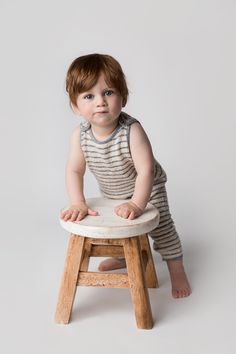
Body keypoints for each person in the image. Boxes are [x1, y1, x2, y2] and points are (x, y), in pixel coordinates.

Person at [60, 53, 191, 298]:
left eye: (108, 92)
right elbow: (74, 170)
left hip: (148, 189)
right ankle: (122, 256)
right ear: (76, 107)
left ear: (123, 96)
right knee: (119, 225)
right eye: (89, 96)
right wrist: (77, 201)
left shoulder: (131, 130)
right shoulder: (80, 135)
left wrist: (137, 203)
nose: (100, 102)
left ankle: (177, 269)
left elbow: (146, 170)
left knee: (162, 229)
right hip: (113, 191)